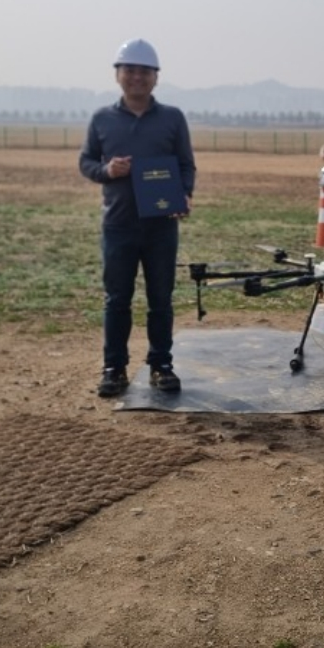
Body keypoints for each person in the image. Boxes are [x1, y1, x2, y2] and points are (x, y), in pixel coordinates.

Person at [79, 38, 197, 398]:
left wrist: (184, 194)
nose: (137, 77)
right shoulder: (102, 119)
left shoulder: (172, 118)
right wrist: (107, 170)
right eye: (129, 70)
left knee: (161, 299)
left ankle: (161, 365)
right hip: (118, 225)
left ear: (156, 77)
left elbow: (185, 165)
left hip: (161, 226)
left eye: (145, 71)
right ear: (118, 75)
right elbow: (86, 162)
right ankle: (114, 368)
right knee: (117, 299)